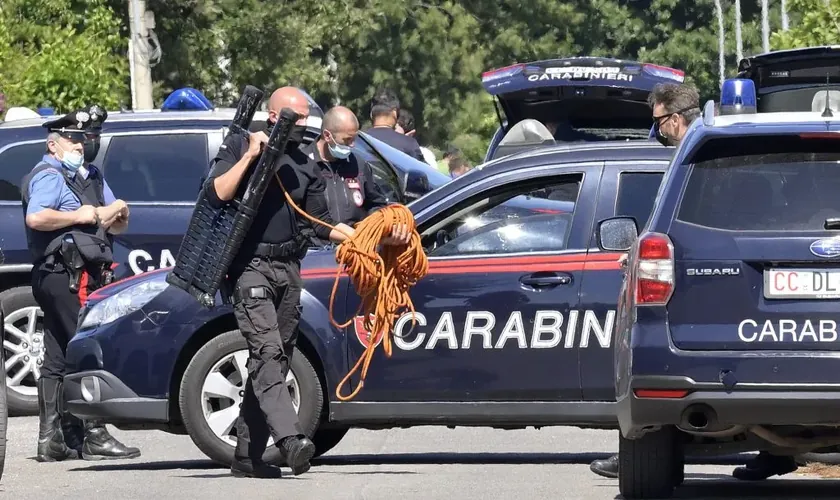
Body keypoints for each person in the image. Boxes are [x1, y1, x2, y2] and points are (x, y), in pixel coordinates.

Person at [204, 87, 362, 479]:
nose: (303, 126)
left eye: (307, 119)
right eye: (296, 118)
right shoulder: (241, 144)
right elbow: (216, 192)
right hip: (250, 268)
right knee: (269, 352)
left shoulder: (305, 164)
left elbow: (322, 224)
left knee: (273, 359)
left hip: (289, 269)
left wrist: (370, 236)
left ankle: (247, 455)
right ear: (273, 117)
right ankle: (290, 439)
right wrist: (251, 157)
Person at [589, 82, 700, 480]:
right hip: (705, 278)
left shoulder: (695, 157)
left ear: (674, 118)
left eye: (657, 124)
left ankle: (639, 454)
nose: (656, 134)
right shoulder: (705, 151)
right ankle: (775, 454)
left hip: (687, 279)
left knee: (642, 364)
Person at [21, 107, 141, 462]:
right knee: (87, 348)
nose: (80, 145)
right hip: (65, 275)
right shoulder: (49, 175)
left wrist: (116, 212)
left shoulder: (91, 175)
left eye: (83, 139)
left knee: (59, 354)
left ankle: (53, 440)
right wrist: (80, 215)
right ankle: (94, 434)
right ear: (53, 144)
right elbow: (37, 216)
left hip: (83, 272)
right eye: (73, 140)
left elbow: (116, 222)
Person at [302, 105, 410, 247]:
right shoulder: (303, 164)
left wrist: (382, 225)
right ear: (327, 136)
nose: (352, 145)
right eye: (347, 140)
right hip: (316, 256)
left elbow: (375, 204)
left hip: (357, 251)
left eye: (354, 139)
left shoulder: (358, 164)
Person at [362, 87, 426, 163]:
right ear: (395, 113)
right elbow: (426, 172)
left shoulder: (357, 140)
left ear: (371, 115)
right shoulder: (409, 144)